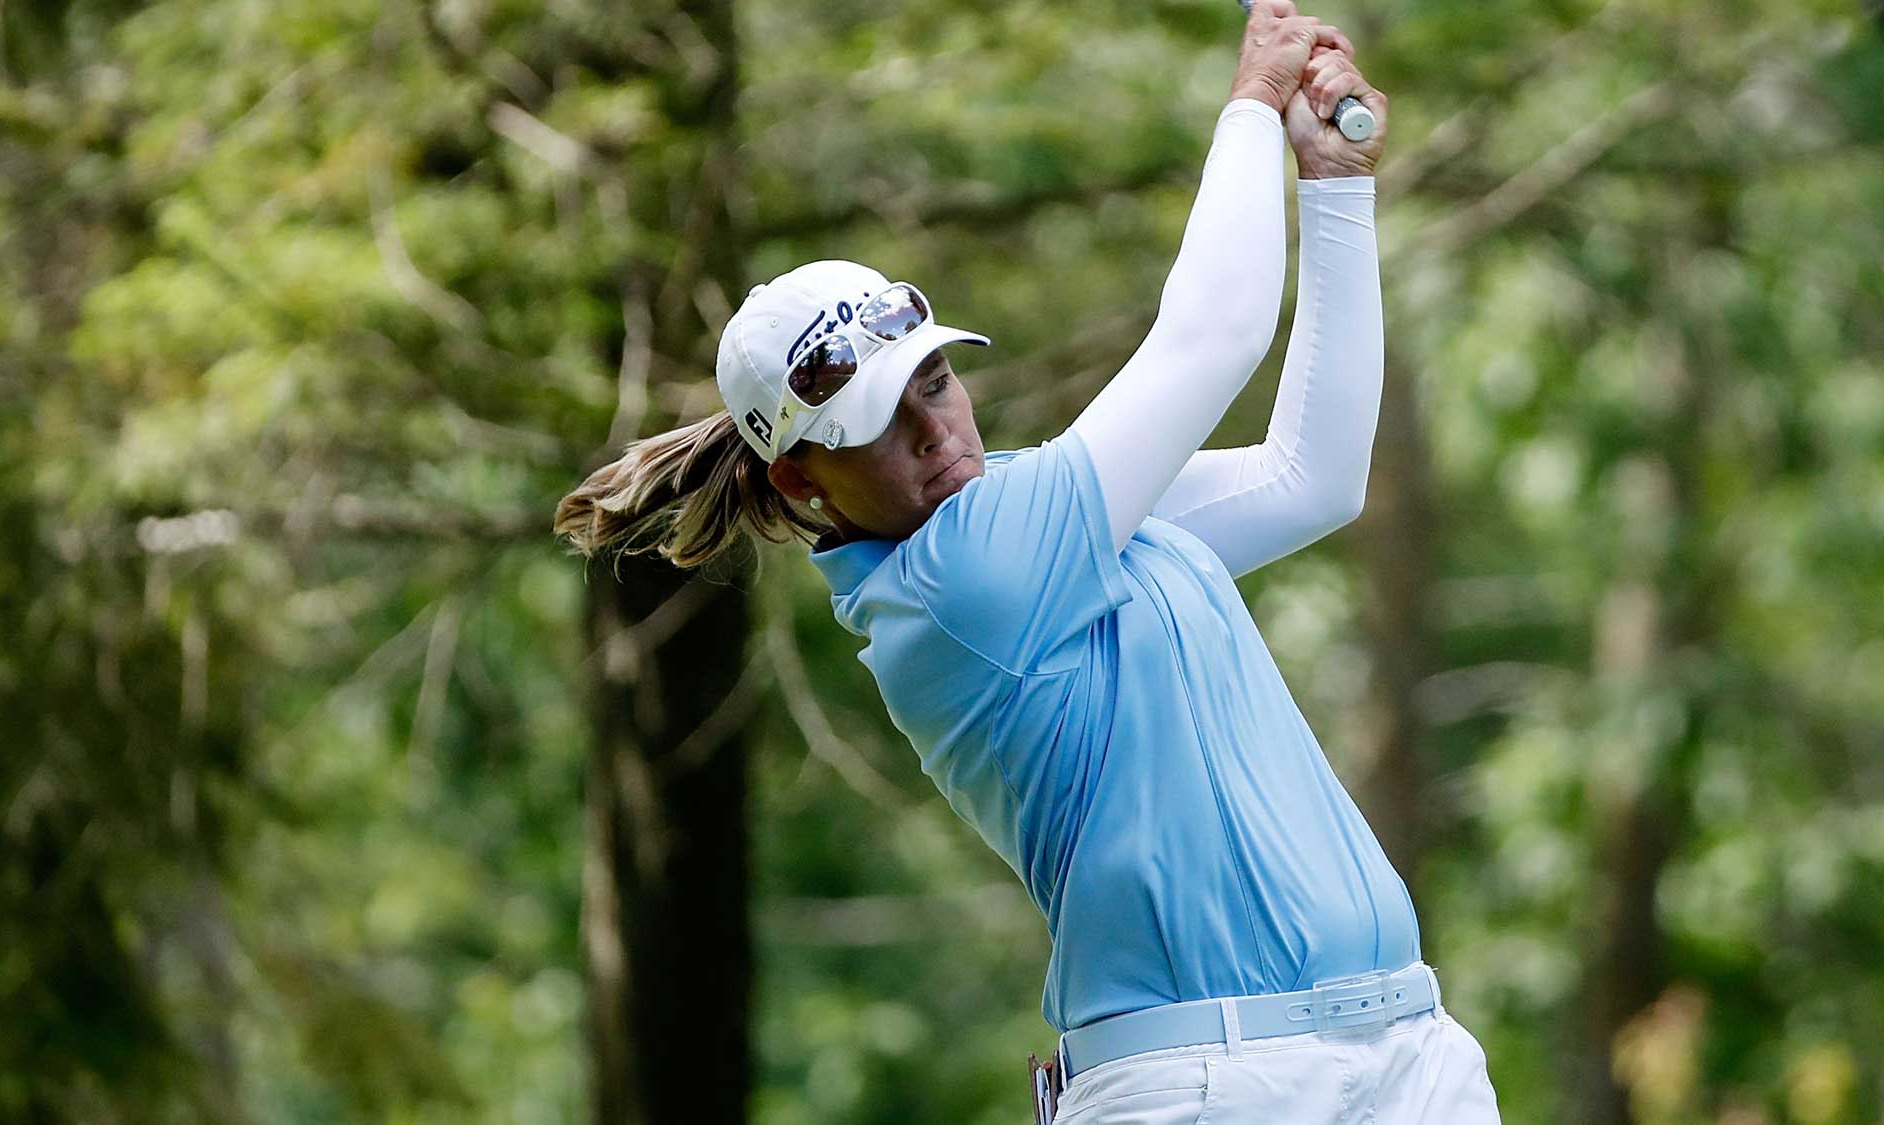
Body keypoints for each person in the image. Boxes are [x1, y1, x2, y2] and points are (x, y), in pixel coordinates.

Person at [556, 2, 1500, 1120]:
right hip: (1217, 1086)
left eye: (934, 382)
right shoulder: (960, 584)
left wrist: (1335, 188)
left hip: (1400, 1054)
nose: (934, 430)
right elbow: (1210, 339)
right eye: (876, 423)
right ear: (801, 482)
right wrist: (1249, 109)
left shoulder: (1047, 516)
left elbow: (1312, 475)